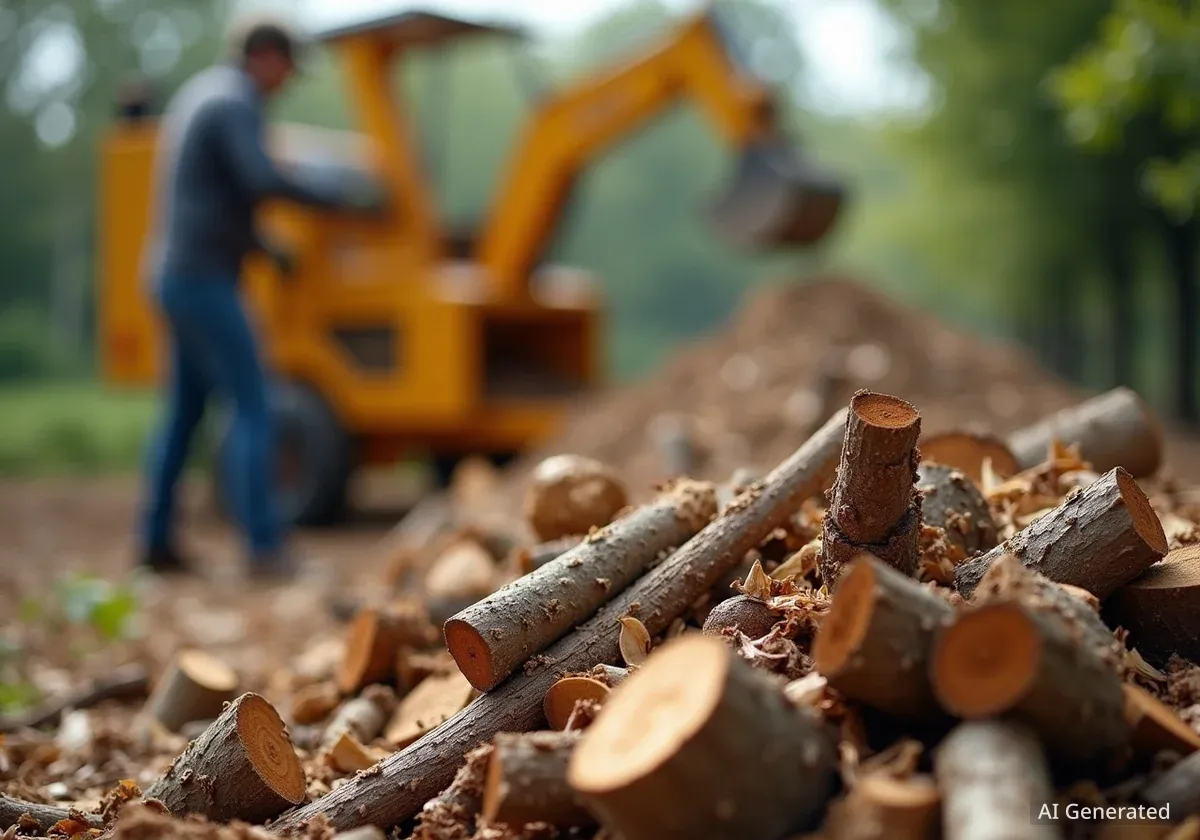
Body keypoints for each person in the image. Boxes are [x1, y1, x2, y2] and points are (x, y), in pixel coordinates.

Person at [138, 14, 382, 578]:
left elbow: (216, 198)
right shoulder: (235, 101)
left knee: (184, 413)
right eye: (288, 68)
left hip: (174, 275)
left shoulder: (204, 94)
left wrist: (267, 249)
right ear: (266, 56)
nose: (287, 81)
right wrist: (338, 195)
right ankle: (265, 548)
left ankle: (155, 542)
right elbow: (259, 179)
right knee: (254, 403)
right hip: (204, 279)